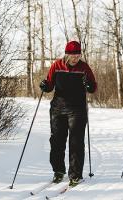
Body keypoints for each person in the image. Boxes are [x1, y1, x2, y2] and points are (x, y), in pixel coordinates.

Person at [39, 41, 97, 186]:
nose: (75, 59)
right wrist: (45, 86)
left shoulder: (84, 67)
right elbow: (50, 84)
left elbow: (93, 87)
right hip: (58, 109)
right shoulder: (57, 66)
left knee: (76, 142)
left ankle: (75, 175)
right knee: (57, 141)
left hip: (77, 109)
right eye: (73, 55)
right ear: (67, 54)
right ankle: (58, 171)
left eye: (78, 55)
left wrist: (89, 85)